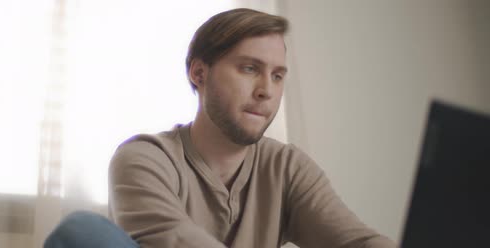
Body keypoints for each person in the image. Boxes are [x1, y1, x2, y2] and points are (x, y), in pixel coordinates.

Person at [46, 8, 396, 248]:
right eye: (249, 68)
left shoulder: (288, 169)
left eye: (277, 75)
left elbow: (357, 241)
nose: (266, 89)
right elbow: (177, 240)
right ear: (199, 74)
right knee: (82, 232)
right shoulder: (143, 158)